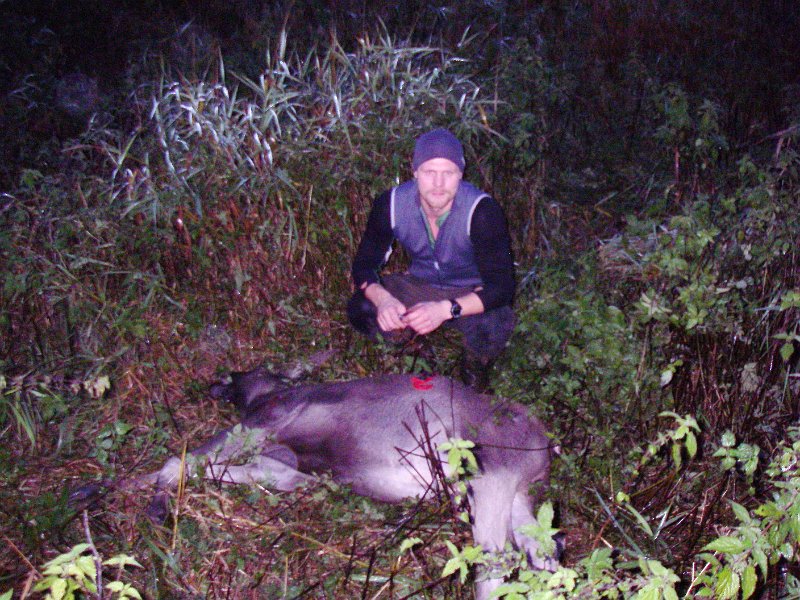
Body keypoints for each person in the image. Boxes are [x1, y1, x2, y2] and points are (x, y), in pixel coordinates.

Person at [347, 128, 516, 391]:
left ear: (461, 174)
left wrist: (444, 310)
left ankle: (474, 370)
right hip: (419, 283)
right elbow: (363, 265)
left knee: (496, 322)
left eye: (447, 173)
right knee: (361, 307)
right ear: (415, 172)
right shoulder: (390, 204)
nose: (438, 184)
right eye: (429, 172)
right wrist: (385, 300)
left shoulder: (482, 212)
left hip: (469, 291)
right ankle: (415, 351)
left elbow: (502, 288)